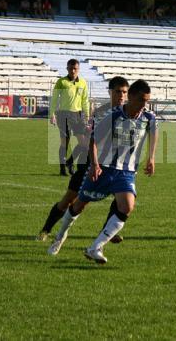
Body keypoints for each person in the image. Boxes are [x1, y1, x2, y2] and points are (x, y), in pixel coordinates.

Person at [47, 80, 158, 264]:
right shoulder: (113, 116)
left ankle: (95, 247)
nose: (143, 105)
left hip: (126, 172)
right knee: (78, 206)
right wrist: (95, 165)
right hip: (103, 169)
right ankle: (60, 236)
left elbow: (154, 131)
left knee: (127, 207)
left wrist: (151, 157)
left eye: (146, 101)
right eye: (140, 100)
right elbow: (93, 140)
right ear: (130, 97)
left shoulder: (149, 117)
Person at [37, 76, 130, 242]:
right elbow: (88, 140)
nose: (121, 95)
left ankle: (106, 231)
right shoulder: (101, 113)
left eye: (124, 92)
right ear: (110, 92)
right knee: (69, 200)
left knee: (122, 196)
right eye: (118, 91)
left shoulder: (131, 114)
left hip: (115, 165)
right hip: (90, 163)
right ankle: (46, 229)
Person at [50, 59, 91, 176]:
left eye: (75, 69)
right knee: (65, 142)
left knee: (84, 143)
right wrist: (52, 114)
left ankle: (70, 161)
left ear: (78, 69)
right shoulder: (61, 82)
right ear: (67, 69)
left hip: (78, 115)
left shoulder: (83, 82)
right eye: (71, 68)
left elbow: (85, 100)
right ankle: (62, 169)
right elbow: (54, 99)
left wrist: (87, 115)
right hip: (63, 114)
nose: (73, 71)